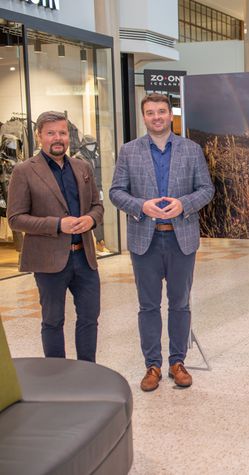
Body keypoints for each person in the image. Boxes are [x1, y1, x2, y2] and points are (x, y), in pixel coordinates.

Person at [109, 94, 214, 391]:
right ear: (143, 117)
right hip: (146, 240)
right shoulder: (129, 151)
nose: (156, 117)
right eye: (150, 112)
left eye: (161, 111)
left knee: (180, 304)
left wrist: (184, 204)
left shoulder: (191, 150)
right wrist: (141, 205)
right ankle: (152, 365)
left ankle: (177, 362)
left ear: (171, 115)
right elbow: (117, 192)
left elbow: (207, 189)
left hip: (181, 238)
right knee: (148, 306)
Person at [7, 111, 103, 362]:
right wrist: (59, 224)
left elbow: (97, 205)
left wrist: (91, 219)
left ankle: (87, 371)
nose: (57, 138)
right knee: (52, 320)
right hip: (49, 262)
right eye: (51, 133)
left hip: (85, 258)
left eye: (62, 132)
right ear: (39, 137)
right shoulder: (24, 171)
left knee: (89, 318)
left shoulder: (82, 167)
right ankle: (56, 376)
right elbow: (15, 219)